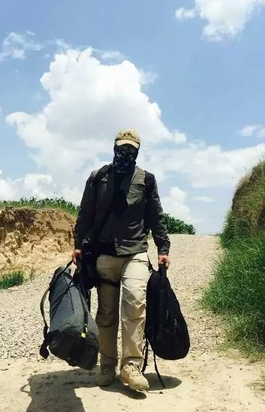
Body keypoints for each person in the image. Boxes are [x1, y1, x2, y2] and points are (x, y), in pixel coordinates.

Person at [72, 128, 171, 391]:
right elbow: (85, 213)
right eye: (121, 148)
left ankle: (131, 366)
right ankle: (107, 365)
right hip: (104, 253)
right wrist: (78, 245)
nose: (125, 153)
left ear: (137, 152)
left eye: (130, 150)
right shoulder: (98, 178)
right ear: (114, 148)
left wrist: (163, 247)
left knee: (135, 304)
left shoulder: (146, 180)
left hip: (135, 252)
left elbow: (156, 216)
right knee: (106, 313)